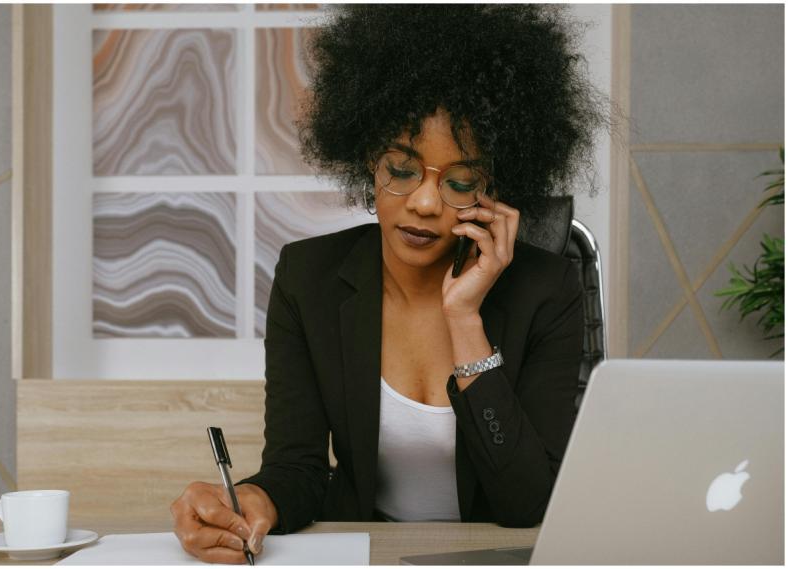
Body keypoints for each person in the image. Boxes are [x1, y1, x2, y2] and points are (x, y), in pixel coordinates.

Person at [171, 4, 606, 564]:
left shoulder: (545, 289)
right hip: (368, 554)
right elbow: (297, 469)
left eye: (460, 180)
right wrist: (253, 498)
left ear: (493, 189)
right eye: (401, 170)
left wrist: (465, 321)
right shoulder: (310, 280)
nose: (424, 203)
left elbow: (526, 503)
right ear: (365, 161)